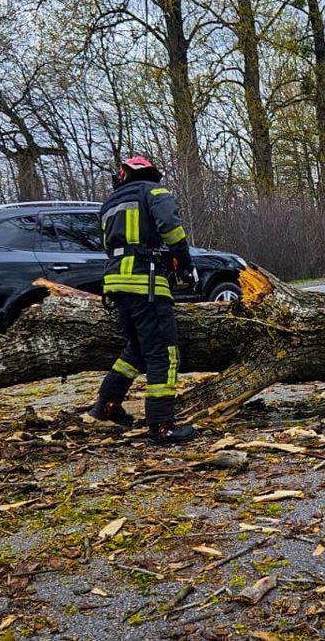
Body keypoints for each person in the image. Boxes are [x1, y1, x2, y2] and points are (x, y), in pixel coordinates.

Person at [88, 156, 197, 445]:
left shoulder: (108, 204)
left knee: (136, 349)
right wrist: (184, 263)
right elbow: (171, 228)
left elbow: (110, 245)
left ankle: (107, 404)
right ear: (149, 173)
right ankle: (162, 427)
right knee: (164, 354)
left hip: (115, 283)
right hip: (144, 283)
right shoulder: (153, 192)